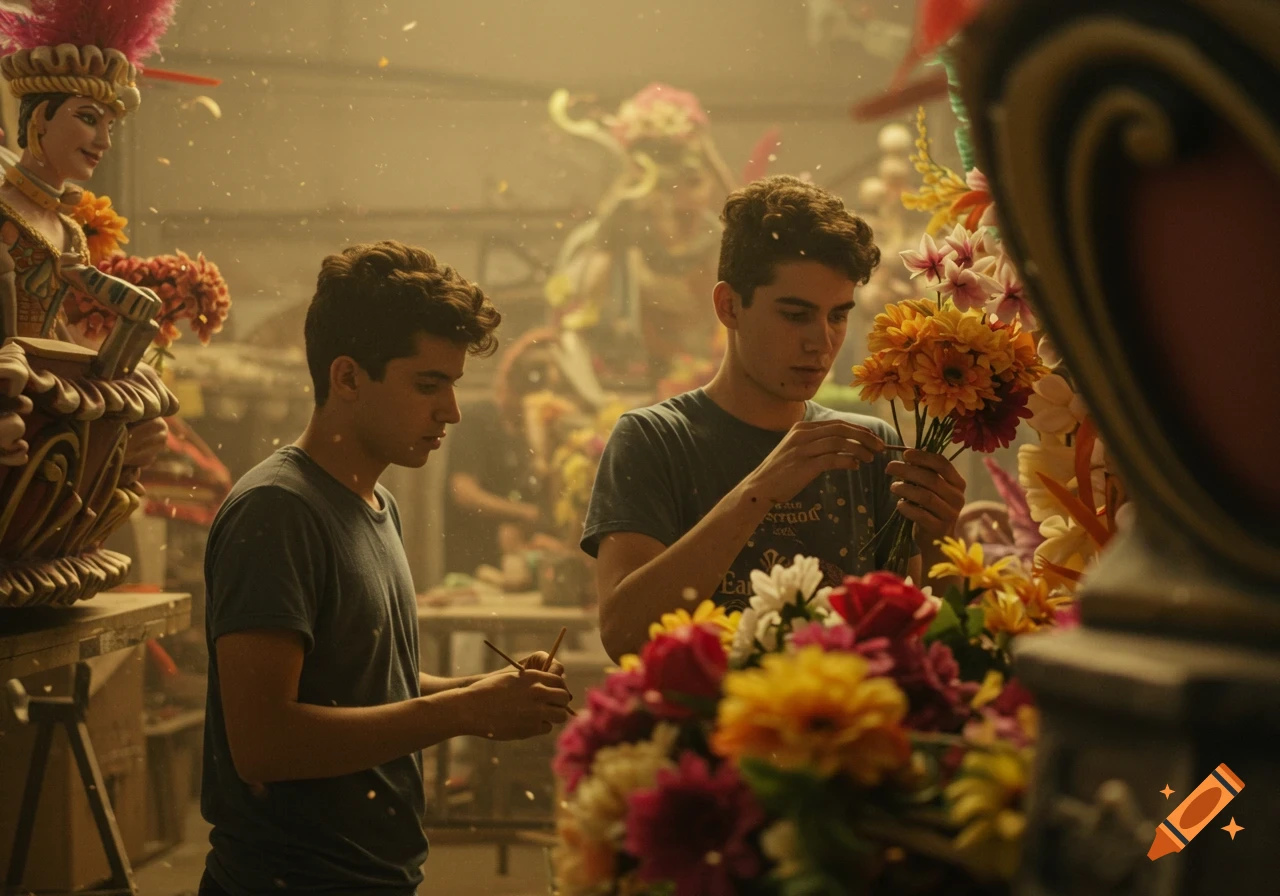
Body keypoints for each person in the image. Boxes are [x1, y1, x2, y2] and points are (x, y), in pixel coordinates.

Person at [199, 242, 573, 895]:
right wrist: (461, 714)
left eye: (453, 385)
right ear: (347, 377)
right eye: (428, 385)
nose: (450, 412)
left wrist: (480, 692)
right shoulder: (278, 512)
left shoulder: (376, 505)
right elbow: (264, 741)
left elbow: (368, 682)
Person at [583, 176, 967, 661]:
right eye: (795, 315)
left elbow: (936, 648)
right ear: (728, 306)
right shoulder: (655, 439)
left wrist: (940, 538)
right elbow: (624, 635)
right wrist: (757, 491)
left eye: (837, 315)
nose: (821, 342)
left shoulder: (869, 447)